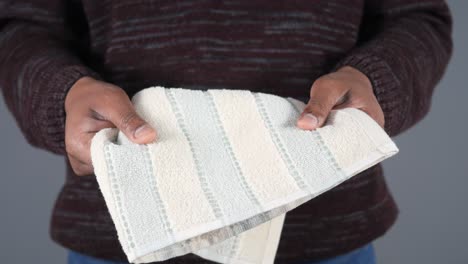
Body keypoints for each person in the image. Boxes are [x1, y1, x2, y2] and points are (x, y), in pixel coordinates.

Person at [0, 0, 452, 263]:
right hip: (120, 222)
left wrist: (376, 80)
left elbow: (416, 17)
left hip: (325, 231)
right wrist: (62, 96)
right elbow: (23, 27)